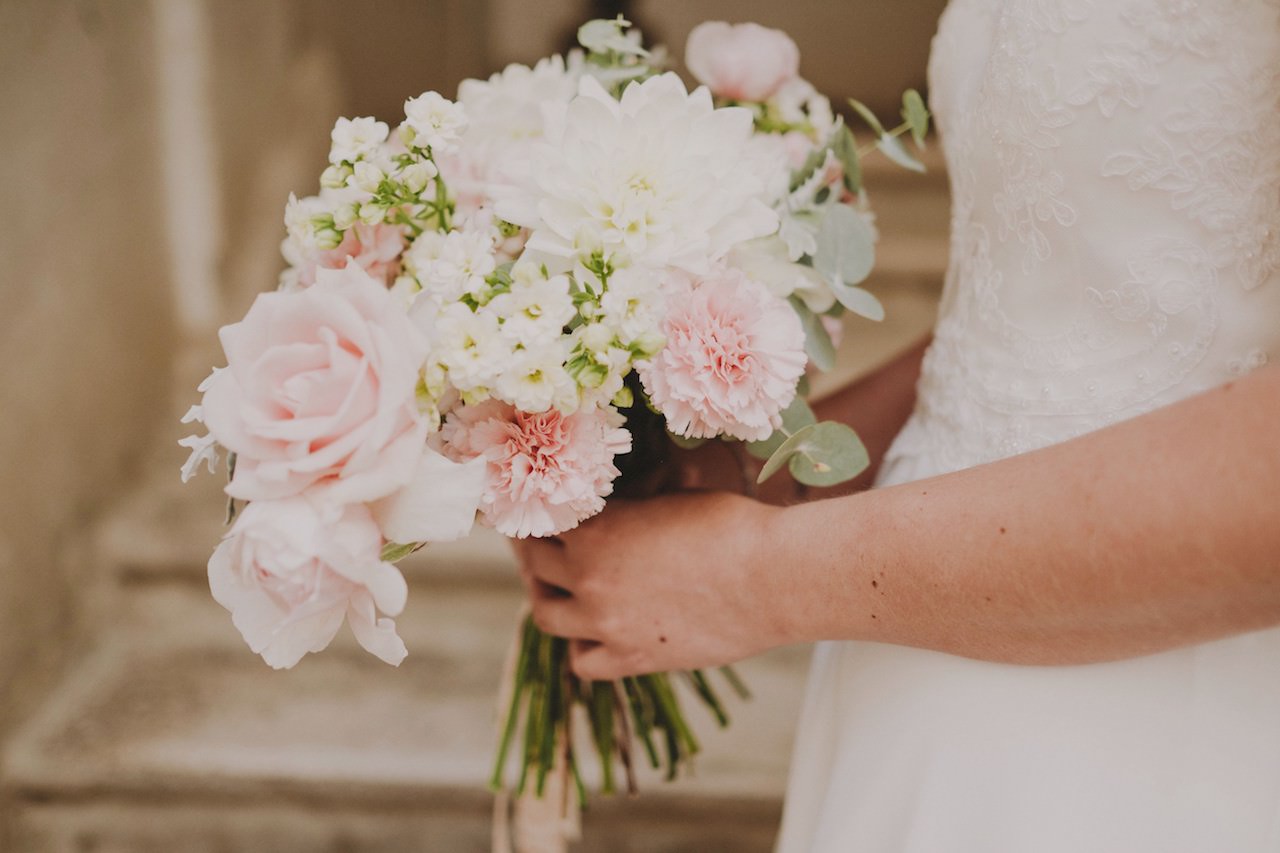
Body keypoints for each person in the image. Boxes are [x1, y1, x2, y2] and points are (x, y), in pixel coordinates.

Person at [517, 0, 1280, 849]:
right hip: (917, 667)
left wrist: (757, 575)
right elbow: (1055, 314)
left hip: (1153, 717)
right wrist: (766, 472)